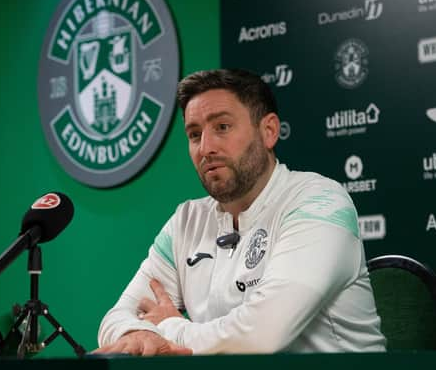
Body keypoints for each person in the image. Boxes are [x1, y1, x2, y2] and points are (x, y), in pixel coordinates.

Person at [95, 69, 386, 356]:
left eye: (222, 127)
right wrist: (137, 334)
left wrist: (170, 328)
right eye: (195, 134)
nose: (205, 147)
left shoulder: (320, 200)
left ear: (269, 131)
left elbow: (263, 335)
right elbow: (116, 317)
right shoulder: (186, 220)